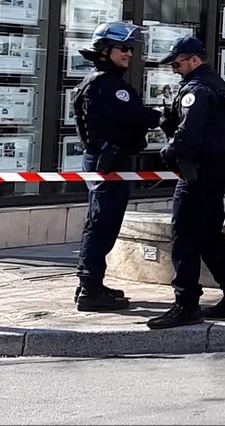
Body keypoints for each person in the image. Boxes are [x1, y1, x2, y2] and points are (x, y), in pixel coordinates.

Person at [147, 37, 225, 330]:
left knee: (184, 235)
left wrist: (169, 153)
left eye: (177, 63)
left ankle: (186, 304)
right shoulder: (213, 84)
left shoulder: (198, 88)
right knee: (208, 235)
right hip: (215, 167)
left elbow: (189, 136)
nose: (175, 69)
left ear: (193, 59)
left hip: (199, 170)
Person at [72, 22, 162, 312]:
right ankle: (90, 288)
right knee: (102, 224)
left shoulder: (102, 82)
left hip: (106, 161)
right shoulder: (107, 85)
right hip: (107, 164)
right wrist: (164, 115)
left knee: (101, 222)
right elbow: (139, 116)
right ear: (105, 50)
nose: (129, 54)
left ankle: (90, 283)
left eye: (130, 49)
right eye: (123, 48)